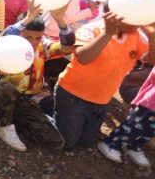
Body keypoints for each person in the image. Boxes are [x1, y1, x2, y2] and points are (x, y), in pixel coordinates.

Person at [55, 12, 155, 150]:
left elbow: (152, 60)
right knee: (67, 142)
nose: (139, 23)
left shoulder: (135, 36)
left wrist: (151, 35)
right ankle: (48, 107)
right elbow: (84, 58)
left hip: (101, 101)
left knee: (86, 141)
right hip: (72, 95)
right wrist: (107, 34)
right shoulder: (92, 29)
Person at [0, 2, 73, 151]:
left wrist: (61, 21)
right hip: (2, 96)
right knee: (6, 88)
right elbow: (6, 35)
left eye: (38, 38)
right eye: (28, 37)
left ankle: (17, 119)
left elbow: (67, 47)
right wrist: (27, 18)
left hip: (28, 101)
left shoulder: (42, 48)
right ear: (20, 32)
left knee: (55, 142)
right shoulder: (9, 45)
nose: (33, 42)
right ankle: (4, 125)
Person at [98, 66, 155, 167]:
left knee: (149, 131)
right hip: (150, 102)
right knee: (134, 125)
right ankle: (111, 144)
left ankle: (135, 147)